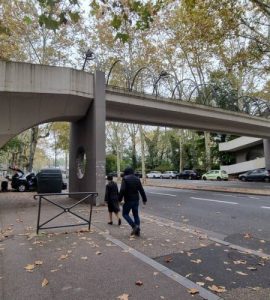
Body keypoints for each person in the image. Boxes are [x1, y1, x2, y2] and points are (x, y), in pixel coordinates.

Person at [119, 167, 147, 236]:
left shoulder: (125, 178)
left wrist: (119, 199)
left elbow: (122, 190)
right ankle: (137, 232)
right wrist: (144, 199)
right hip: (136, 200)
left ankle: (134, 226)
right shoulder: (137, 179)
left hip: (128, 200)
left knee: (125, 214)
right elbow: (141, 190)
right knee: (136, 215)